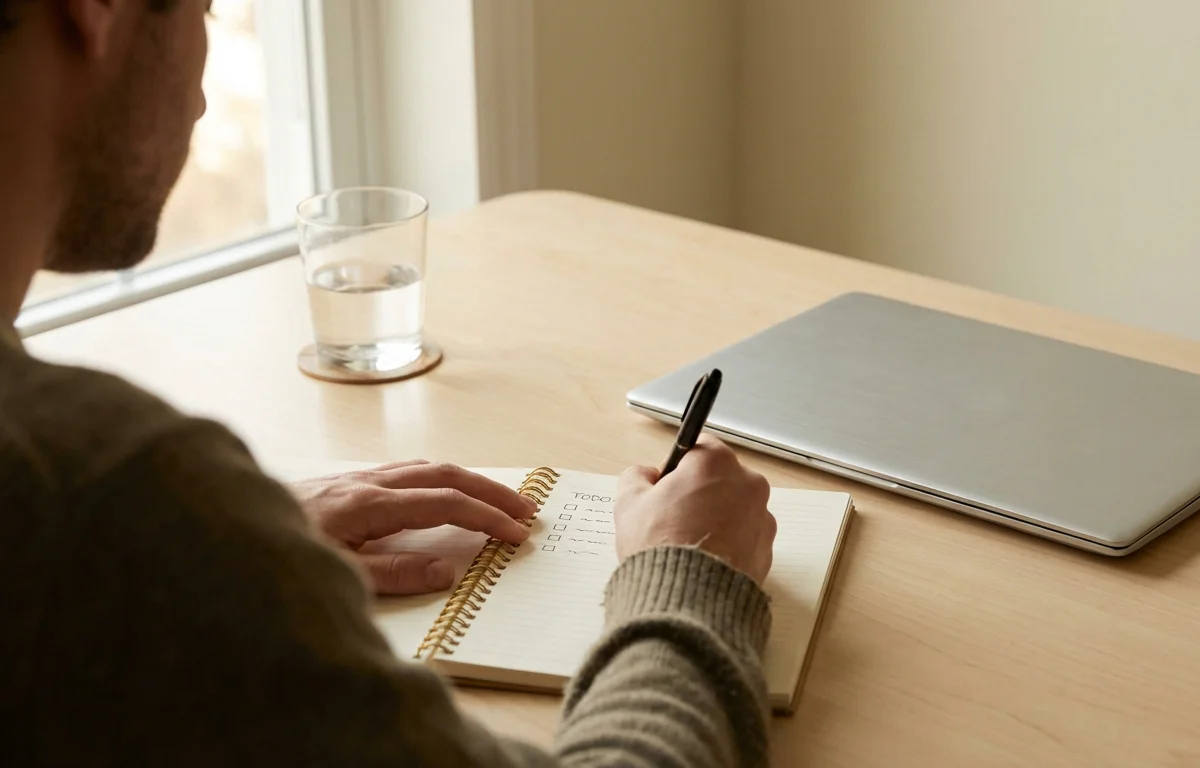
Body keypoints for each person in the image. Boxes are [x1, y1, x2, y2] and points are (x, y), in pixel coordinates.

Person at [0, 1, 779, 765]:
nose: (202, 96)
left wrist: (232, 553)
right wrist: (688, 573)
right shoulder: (98, 496)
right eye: (203, 9)